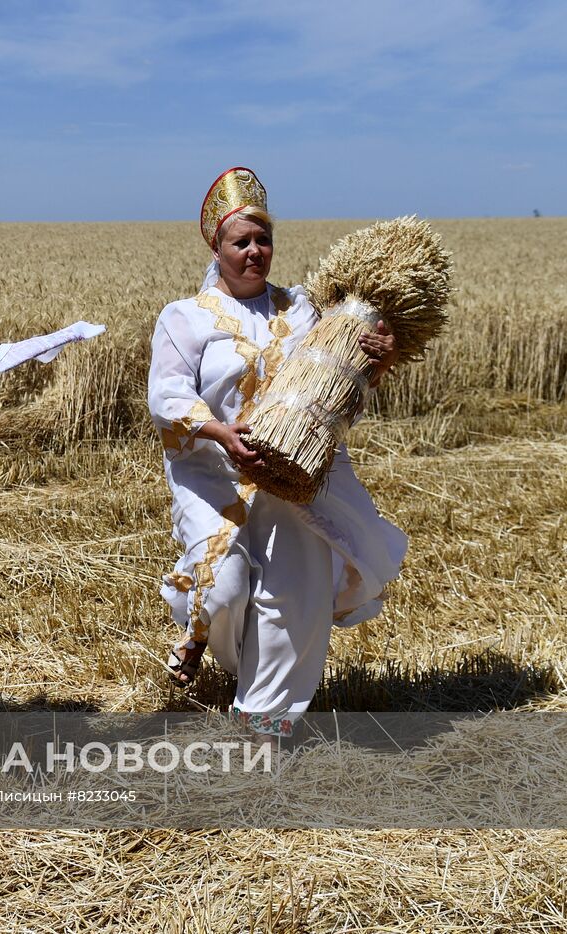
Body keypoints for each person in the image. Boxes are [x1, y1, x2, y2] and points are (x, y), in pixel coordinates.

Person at [148, 166, 408, 735]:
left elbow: (338, 383)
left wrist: (380, 356)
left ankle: (264, 718)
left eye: (263, 239)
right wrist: (221, 434)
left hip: (291, 472)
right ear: (215, 245)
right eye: (241, 241)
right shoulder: (184, 317)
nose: (255, 251)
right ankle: (215, 643)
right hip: (213, 471)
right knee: (223, 588)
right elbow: (167, 396)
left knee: (295, 594)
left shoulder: (303, 312)